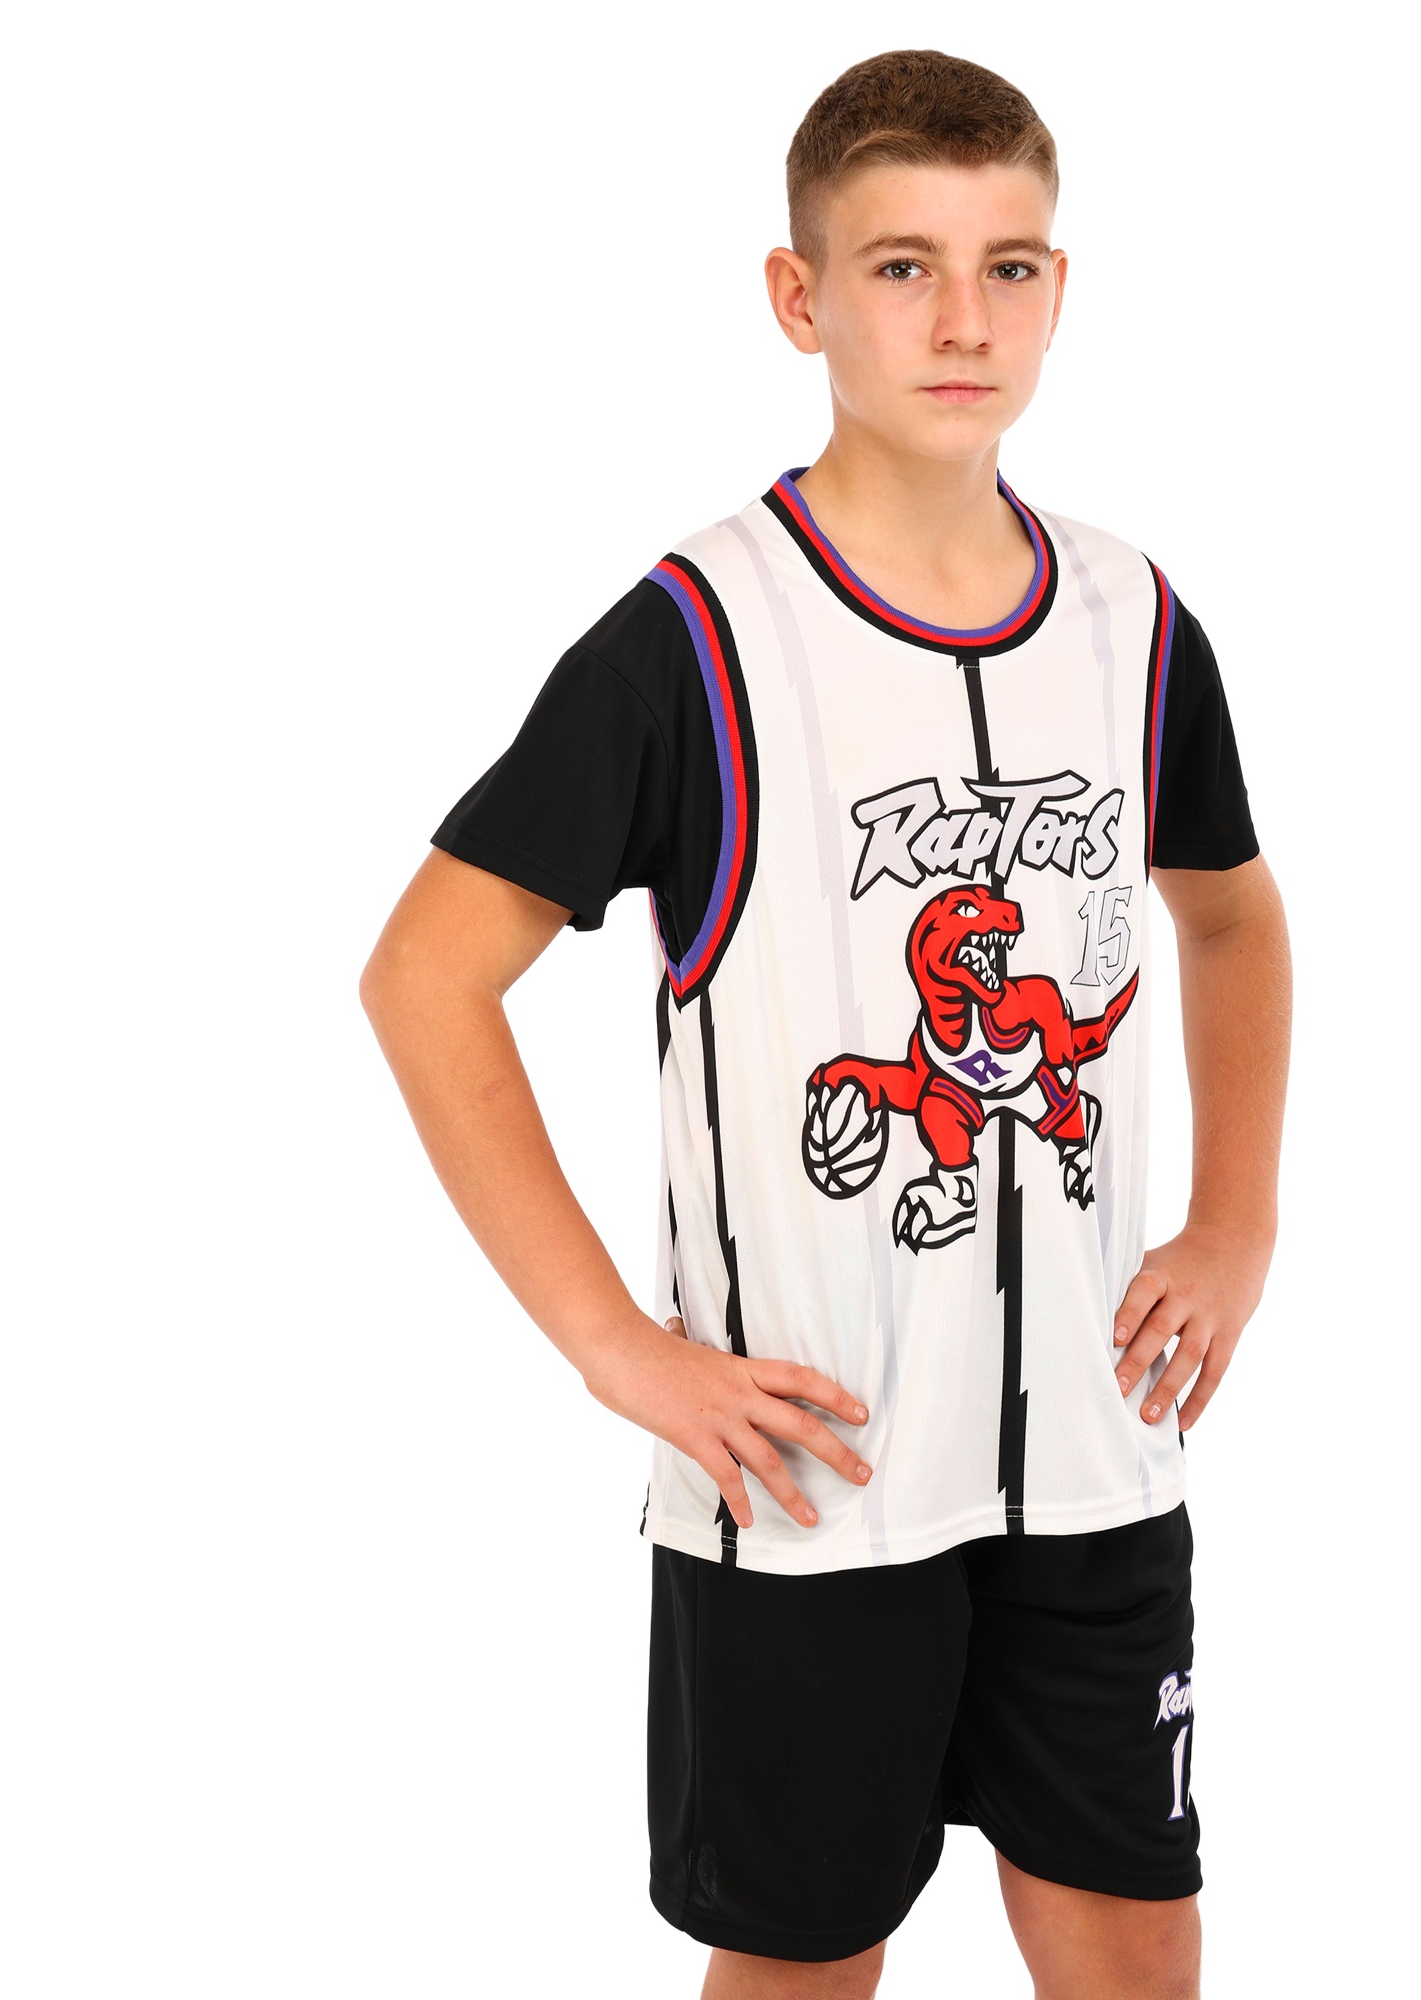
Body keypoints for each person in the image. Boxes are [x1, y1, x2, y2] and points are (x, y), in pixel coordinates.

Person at [361, 48, 1291, 2000]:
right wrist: (616, 1348)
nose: (963, 320)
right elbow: (426, 975)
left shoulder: (1133, 620)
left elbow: (1226, 914)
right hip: (808, 1483)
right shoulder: (696, 639)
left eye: (1008, 267)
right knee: (806, 1965)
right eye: (900, 267)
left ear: (1058, 289)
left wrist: (1234, 1219)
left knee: (1137, 1943)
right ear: (800, 298)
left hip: (1096, 1463)